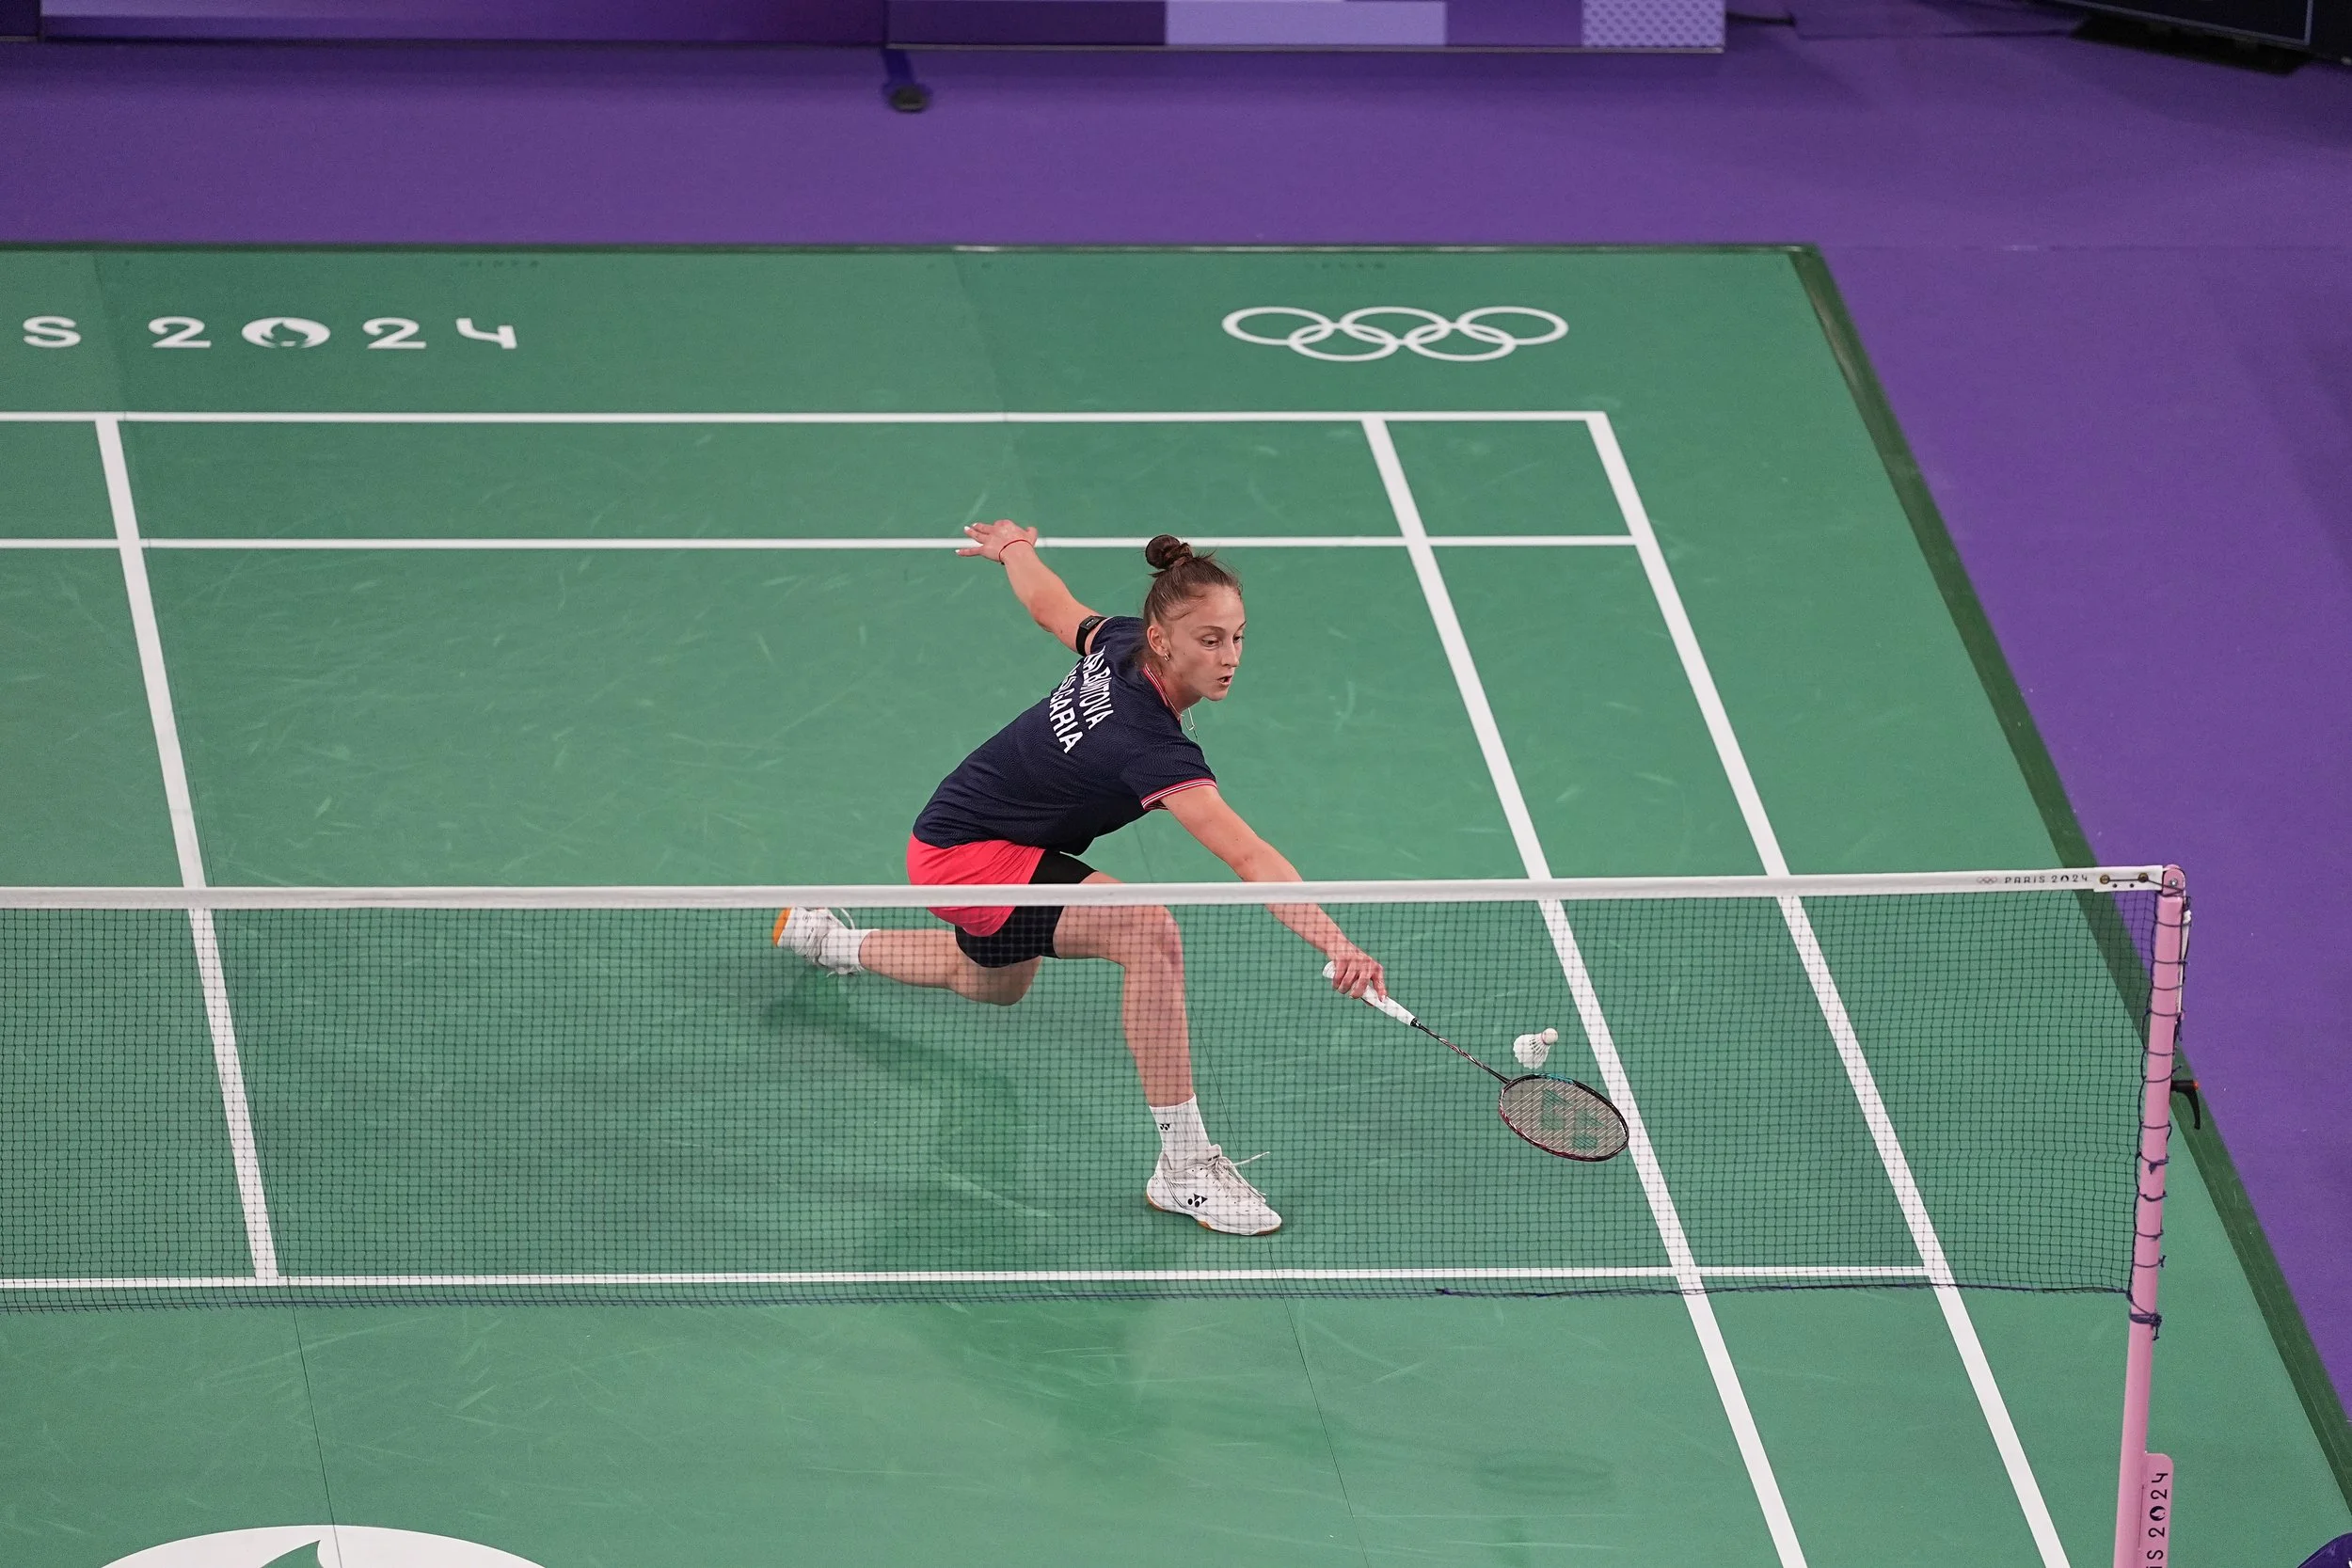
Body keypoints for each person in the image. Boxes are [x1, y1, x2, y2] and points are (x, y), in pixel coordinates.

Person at [776, 523, 1386, 1235]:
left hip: (980, 837)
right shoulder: (1150, 745)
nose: (1229, 659)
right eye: (1210, 640)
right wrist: (1335, 941)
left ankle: (827, 940)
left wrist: (1013, 549)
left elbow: (1051, 606)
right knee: (1147, 928)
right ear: (1163, 640)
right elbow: (1250, 857)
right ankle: (1184, 1168)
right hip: (966, 856)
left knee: (991, 983)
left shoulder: (1123, 640)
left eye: (1238, 637)